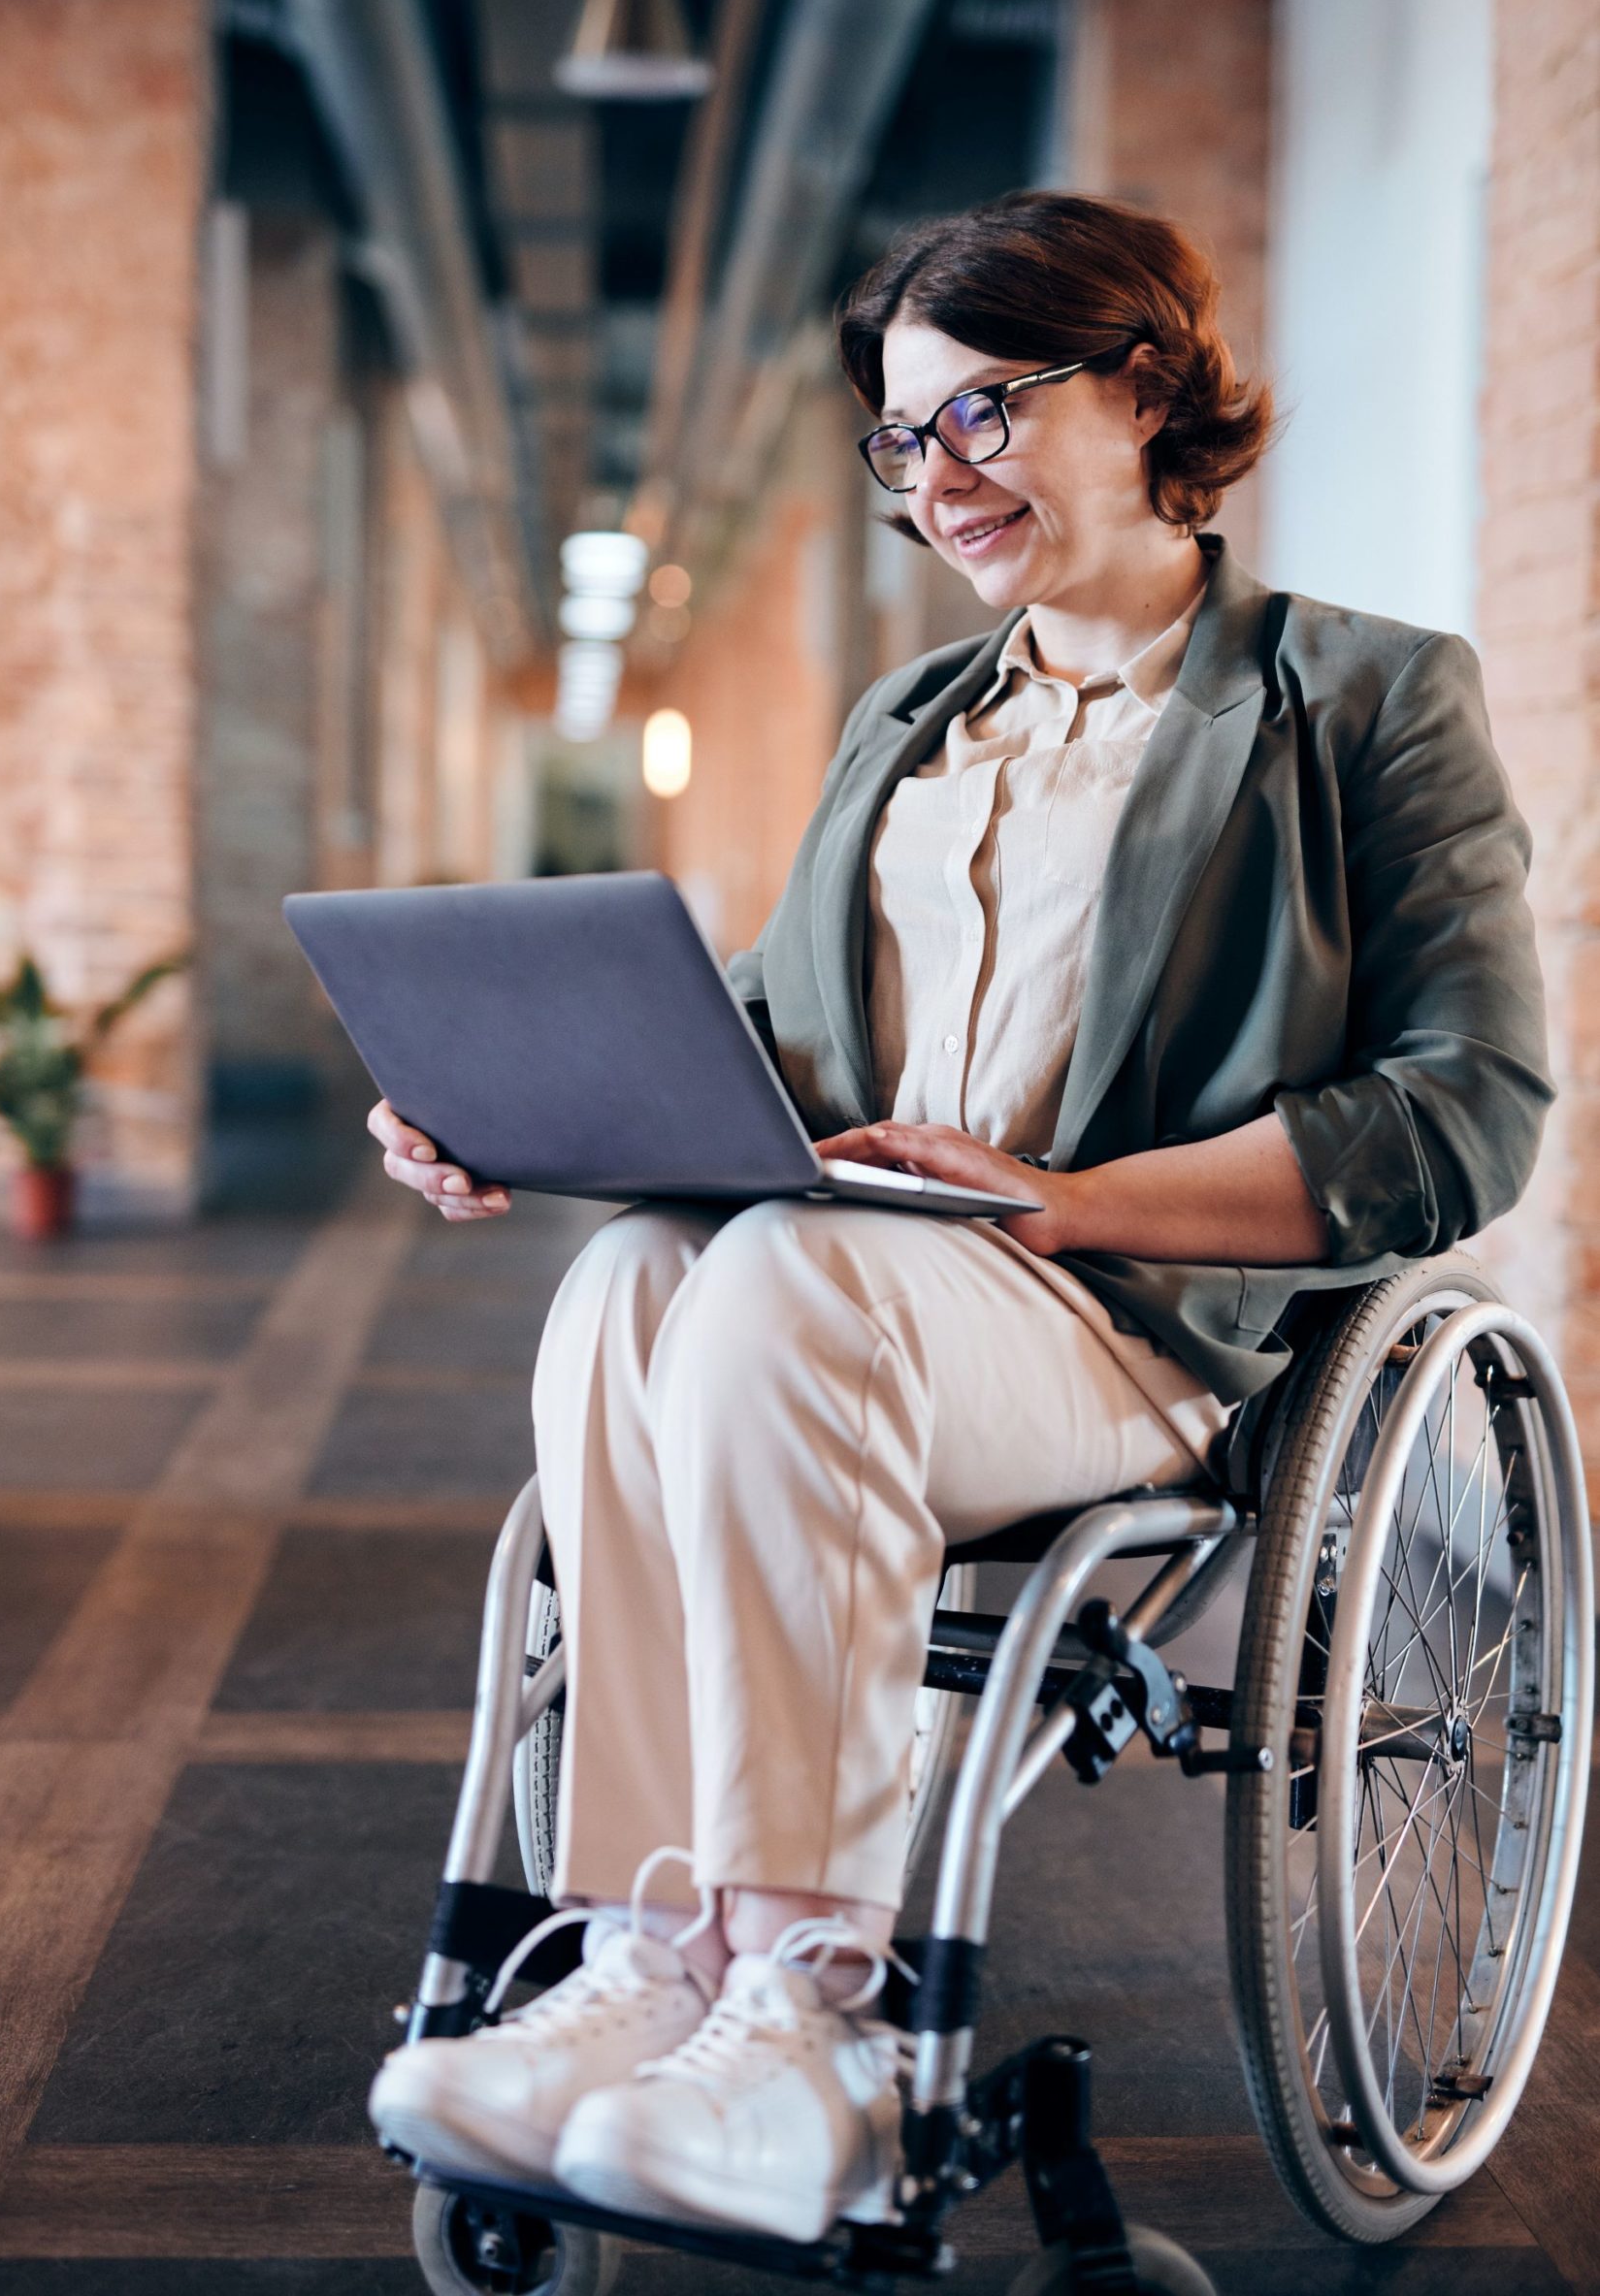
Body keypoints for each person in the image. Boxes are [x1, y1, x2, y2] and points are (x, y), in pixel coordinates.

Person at [366, 191, 1551, 2243]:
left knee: (777, 1296)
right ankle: (648, 1950)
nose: (937, 480)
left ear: (1145, 385)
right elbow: (766, 1046)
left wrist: (1078, 1196)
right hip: (846, 1290)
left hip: (1123, 1319)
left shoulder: (1357, 699)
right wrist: (510, 1104)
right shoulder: (903, 723)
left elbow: (1464, 1111)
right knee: (629, 1277)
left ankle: (814, 2004)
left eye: (980, 414)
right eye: (900, 441)